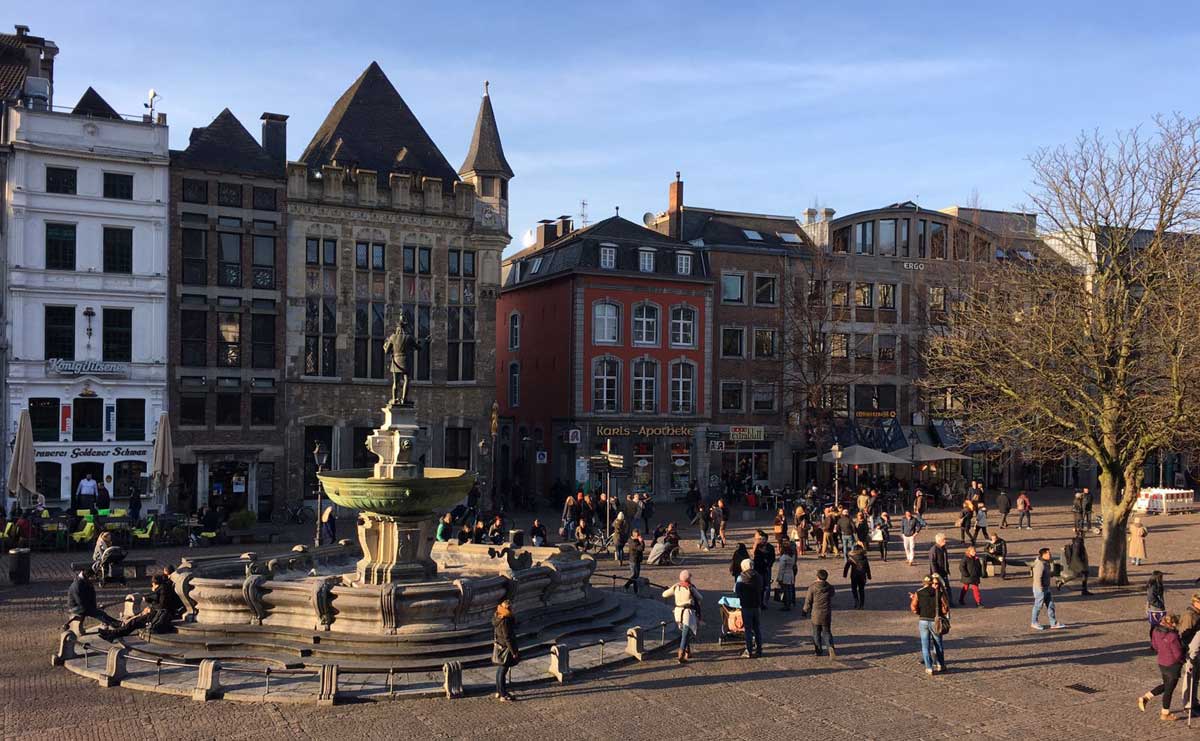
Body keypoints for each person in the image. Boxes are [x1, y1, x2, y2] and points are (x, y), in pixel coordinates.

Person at [99, 573, 184, 639]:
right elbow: (160, 603)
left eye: (152, 584)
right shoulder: (163, 589)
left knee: (134, 622)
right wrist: (149, 601)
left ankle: (112, 634)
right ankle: (112, 633)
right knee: (133, 622)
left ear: (155, 583)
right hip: (157, 613)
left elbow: (162, 606)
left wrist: (150, 608)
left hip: (157, 615)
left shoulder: (163, 591)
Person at [1137, 613, 1185, 721]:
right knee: (1169, 690)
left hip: (1162, 662)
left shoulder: (1156, 631)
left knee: (1166, 685)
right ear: (1172, 623)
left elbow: (1154, 646)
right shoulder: (1172, 636)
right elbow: (1178, 654)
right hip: (1173, 665)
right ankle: (1165, 713)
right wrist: (1183, 660)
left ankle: (1146, 697)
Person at [911, 574, 950, 675]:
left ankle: (929, 667)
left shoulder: (919, 593)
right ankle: (940, 664)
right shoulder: (939, 593)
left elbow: (914, 607)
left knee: (925, 645)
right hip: (935, 621)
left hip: (923, 621)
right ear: (932, 583)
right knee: (938, 644)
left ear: (924, 583)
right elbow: (945, 608)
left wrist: (920, 612)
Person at [662, 570, 703, 663]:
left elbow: (664, 594)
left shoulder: (676, 586)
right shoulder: (690, 588)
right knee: (685, 634)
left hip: (677, 612)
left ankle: (688, 652)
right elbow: (700, 597)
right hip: (687, 613)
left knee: (685, 633)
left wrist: (671, 589)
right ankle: (681, 654)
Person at [803, 569, 836, 657]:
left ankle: (818, 650)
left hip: (816, 614)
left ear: (817, 577)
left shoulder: (812, 587)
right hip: (826, 613)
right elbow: (832, 594)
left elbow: (808, 600)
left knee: (816, 633)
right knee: (827, 632)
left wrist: (805, 610)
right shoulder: (830, 587)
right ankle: (830, 647)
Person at [491, 599, 519, 702]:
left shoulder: (497, 616)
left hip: (499, 645)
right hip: (506, 648)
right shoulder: (506, 620)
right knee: (503, 670)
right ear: (508, 608)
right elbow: (508, 637)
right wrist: (514, 652)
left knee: (500, 670)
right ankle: (503, 694)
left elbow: (495, 631)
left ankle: (499, 691)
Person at [1031, 547, 1066, 630]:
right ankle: (1034, 622)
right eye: (1048, 553)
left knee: (1051, 605)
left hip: (1046, 588)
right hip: (1041, 589)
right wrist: (1040, 588)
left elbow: (1049, 573)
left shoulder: (1046, 562)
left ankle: (1053, 623)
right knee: (1038, 606)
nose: (1050, 555)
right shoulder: (1040, 564)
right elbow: (1037, 577)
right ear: (1044, 555)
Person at [735, 559, 764, 658]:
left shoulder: (741, 577)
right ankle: (759, 650)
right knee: (757, 628)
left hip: (746, 606)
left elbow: (737, 591)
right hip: (757, 605)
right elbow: (761, 588)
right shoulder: (758, 576)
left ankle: (749, 650)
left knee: (748, 629)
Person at [843, 544, 872, 609]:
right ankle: (862, 605)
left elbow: (846, 567)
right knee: (861, 590)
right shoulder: (864, 557)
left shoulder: (851, 558)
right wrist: (869, 576)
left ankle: (856, 601)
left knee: (854, 589)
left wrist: (845, 574)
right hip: (862, 576)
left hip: (854, 576)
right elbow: (867, 567)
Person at [752, 530, 776, 609]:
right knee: (760, 587)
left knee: (767, 587)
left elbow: (773, 558)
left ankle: (765, 602)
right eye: (761, 539)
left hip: (766, 569)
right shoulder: (758, 546)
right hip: (758, 569)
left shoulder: (770, 547)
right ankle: (761, 602)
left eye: (764, 539)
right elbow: (754, 556)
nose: (762, 541)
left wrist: (768, 564)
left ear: (767, 539)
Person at [774, 535, 798, 610]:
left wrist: (779, 578)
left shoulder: (784, 557)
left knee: (786, 591)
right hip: (790, 573)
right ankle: (791, 602)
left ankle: (787, 605)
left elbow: (781, 569)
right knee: (790, 589)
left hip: (785, 575)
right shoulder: (792, 555)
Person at [1147, 571, 1167, 637]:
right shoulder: (1153, 587)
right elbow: (1151, 598)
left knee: (1159, 625)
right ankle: (1155, 640)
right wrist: (1160, 604)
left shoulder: (1157, 585)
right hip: (1156, 609)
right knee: (1156, 625)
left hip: (1157, 607)